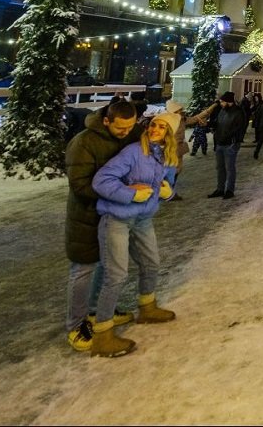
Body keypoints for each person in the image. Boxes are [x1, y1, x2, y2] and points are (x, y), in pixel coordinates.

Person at [89, 113, 179, 357]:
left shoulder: (168, 158)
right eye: (153, 125)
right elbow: (101, 181)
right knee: (116, 274)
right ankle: (102, 333)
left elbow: (169, 188)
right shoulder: (133, 152)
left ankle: (147, 307)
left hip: (143, 218)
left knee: (151, 263)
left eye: (162, 127)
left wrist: (168, 193)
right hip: (117, 217)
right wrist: (129, 193)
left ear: (169, 133)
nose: (156, 129)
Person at [63, 100, 140, 352]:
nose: (125, 132)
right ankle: (76, 325)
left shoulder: (128, 136)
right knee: (84, 268)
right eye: (120, 128)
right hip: (86, 215)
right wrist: (121, 193)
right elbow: (79, 184)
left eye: (130, 127)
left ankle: (98, 310)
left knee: (108, 265)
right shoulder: (83, 143)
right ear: (106, 121)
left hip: (114, 215)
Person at [207, 91, 247, 199]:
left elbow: (239, 129)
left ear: (229, 102)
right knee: (220, 167)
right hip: (220, 143)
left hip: (230, 144)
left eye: (222, 101)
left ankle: (229, 190)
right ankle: (220, 189)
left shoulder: (238, 112)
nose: (221, 103)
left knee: (230, 168)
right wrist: (208, 124)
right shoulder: (223, 111)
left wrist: (232, 140)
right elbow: (217, 123)